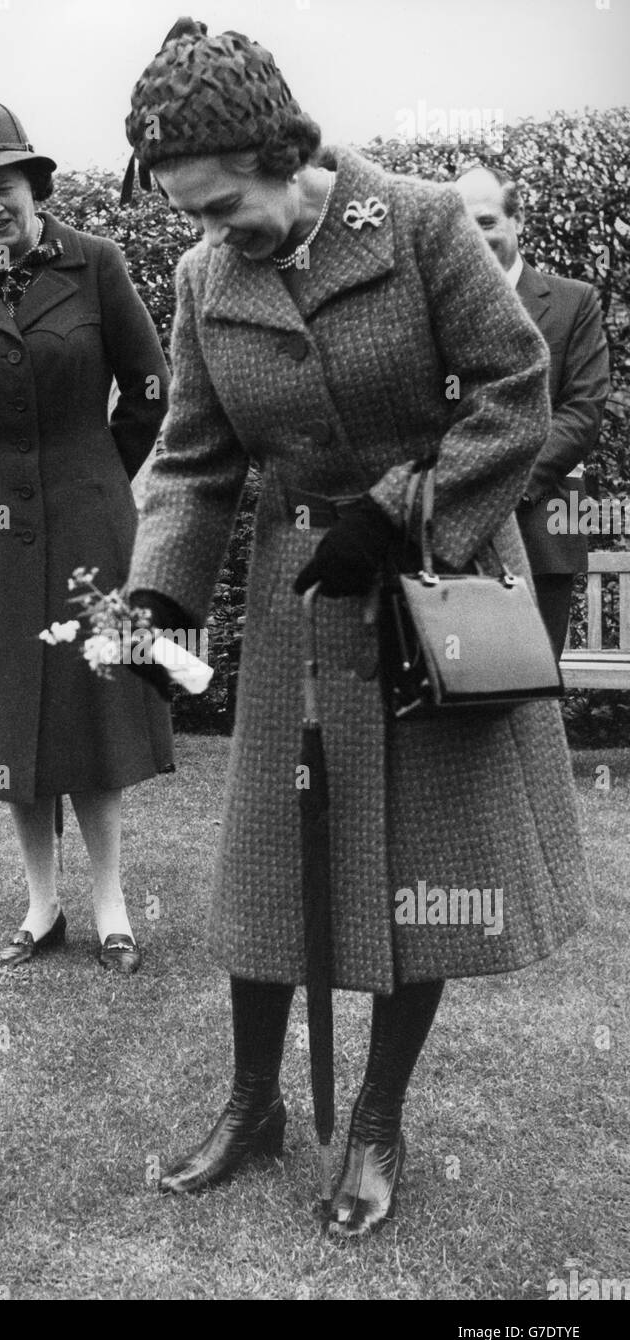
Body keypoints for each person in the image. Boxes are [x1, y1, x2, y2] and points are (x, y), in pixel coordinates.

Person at [123, 20, 592, 1235]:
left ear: (286, 151)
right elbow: (191, 457)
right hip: (300, 597)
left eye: (226, 205)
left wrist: (399, 515)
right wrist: (154, 597)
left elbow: (513, 392)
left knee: (420, 862)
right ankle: (252, 1103)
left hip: (429, 589)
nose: (213, 234)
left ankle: (377, 1117)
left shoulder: (425, 223)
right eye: (192, 216)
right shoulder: (199, 281)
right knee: (270, 853)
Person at [0, 101, 173, 975]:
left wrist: (97, 466)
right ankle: (40, 903)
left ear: (36, 185)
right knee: (10, 715)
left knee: (92, 710)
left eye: (6, 185)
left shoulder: (96, 263)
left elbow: (148, 386)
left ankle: (111, 907)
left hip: (90, 514)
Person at [456, 166, 610, 659]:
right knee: (452, 707)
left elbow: (582, 412)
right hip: (449, 536)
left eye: (485, 221)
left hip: (540, 531)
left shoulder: (573, 302)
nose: (473, 236)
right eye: (461, 224)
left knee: (532, 700)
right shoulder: (434, 306)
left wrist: (504, 485)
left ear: (516, 220)